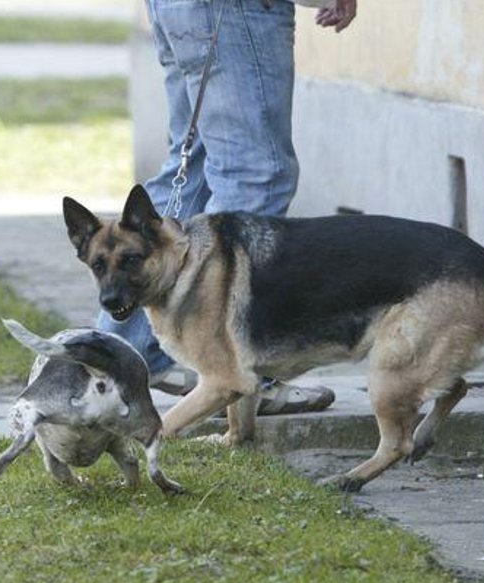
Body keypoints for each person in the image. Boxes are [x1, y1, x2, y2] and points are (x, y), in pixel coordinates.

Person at [97, 0, 358, 414]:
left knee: (191, 168)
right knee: (255, 175)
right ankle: (228, 375)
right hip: (233, 12)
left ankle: (108, 366)